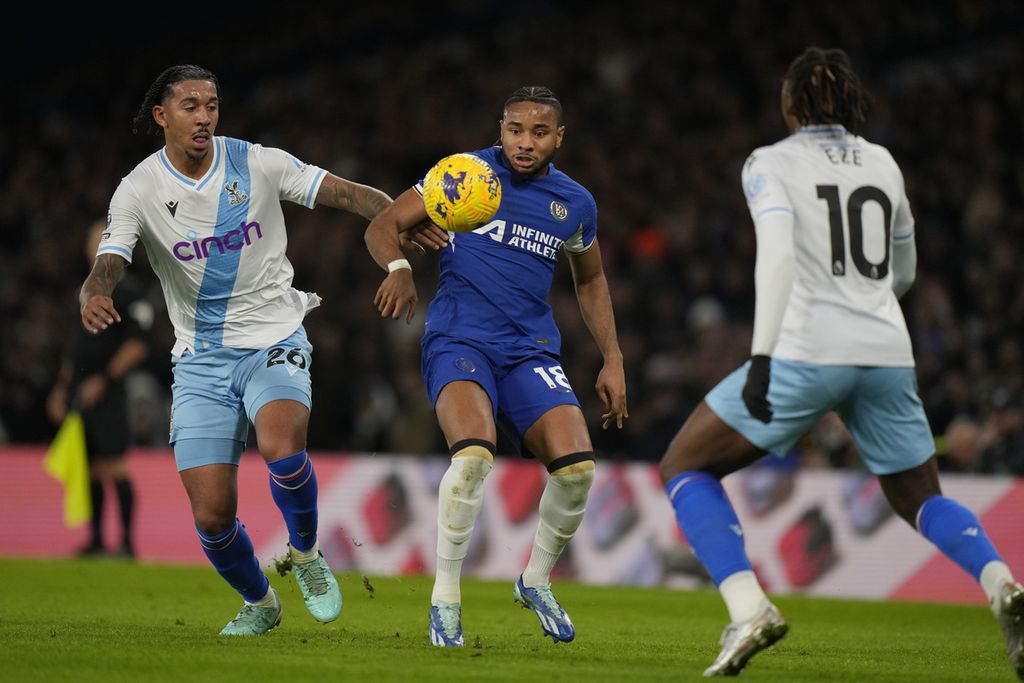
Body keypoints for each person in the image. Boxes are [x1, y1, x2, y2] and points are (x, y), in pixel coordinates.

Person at [658, 47, 1024, 678]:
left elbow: (775, 255)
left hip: (805, 348)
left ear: (789, 103)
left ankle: (748, 609)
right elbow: (904, 270)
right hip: (884, 349)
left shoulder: (768, 162)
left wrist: (763, 356)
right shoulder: (883, 162)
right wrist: (865, 304)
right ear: (852, 102)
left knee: (685, 463)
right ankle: (1002, 587)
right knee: (919, 498)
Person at [79, 64, 445, 636]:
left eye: (212, 105)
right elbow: (110, 260)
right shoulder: (139, 188)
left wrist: (401, 216)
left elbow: (346, 194)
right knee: (211, 516)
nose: (204, 117)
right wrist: (94, 291)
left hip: (274, 336)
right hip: (200, 359)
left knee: (281, 447)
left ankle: (304, 552)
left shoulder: (258, 161)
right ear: (161, 116)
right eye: (190, 106)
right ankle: (260, 602)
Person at [365, 86, 629, 647]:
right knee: (473, 456)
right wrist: (399, 266)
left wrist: (613, 358)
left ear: (560, 137)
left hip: (529, 350)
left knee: (579, 469)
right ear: (500, 128)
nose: (524, 143)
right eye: (514, 130)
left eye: (538, 132)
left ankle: (534, 581)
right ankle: (445, 601)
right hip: (459, 338)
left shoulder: (575, 203)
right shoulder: (464, 174)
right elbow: (383, 223)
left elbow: (592, 279)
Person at [47, 219, 153, 558]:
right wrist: (62, 388)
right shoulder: (85, 290)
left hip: (108, 389)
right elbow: (75, 346)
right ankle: (95, 541)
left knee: (114, 464)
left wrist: (105, 379)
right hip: (80, 386)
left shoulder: (129, 289)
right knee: (90, 466)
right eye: (92, 239)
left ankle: (126, 544)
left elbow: (138, 344)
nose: (95, 245)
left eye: (102, 239)